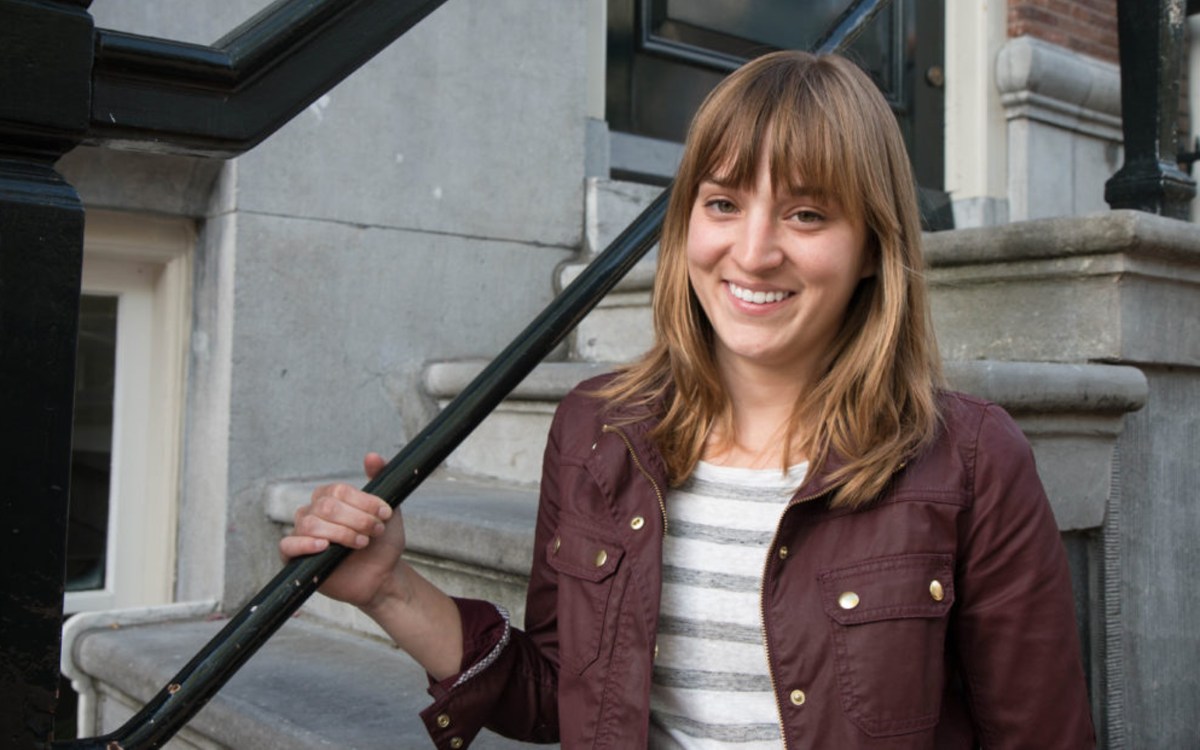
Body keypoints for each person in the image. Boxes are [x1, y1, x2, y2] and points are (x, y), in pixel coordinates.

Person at [281, 51, 1096, 748]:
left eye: (807, 214)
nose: (753, 251)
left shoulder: (971, 461)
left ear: (875, 249)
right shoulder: (596, 430)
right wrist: (390, 589)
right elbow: (568, 694)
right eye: (723, 203)